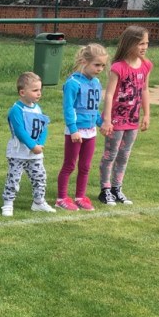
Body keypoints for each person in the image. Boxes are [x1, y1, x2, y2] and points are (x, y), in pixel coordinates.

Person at [99, 25, 152, 206]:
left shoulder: (146, 65)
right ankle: (105, 189)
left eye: (146, 43)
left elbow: (144, 90)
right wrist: (107, 120)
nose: (144, 47)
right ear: (130, 43)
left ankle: (117, 188)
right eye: (141, 43)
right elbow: (109, 94)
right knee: (110, 154)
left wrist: (147, 114)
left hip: (133, 120)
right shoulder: (118, 67)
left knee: (124, 155)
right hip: (116, 120)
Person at [55, 43, 109, 211]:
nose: (100, 69)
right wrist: (73, 129)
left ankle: (80, 197)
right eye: (97, 64)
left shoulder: (96, 83)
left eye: (103, 65)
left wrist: (101, 123)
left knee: (85, 166)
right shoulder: (73, 83)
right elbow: (68, 108)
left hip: (90, 132)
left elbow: (94, 108)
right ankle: (61, 198)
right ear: (85, 61)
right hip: (76, 132)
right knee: (69, 165)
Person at [1, 72, 56, 216]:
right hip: (18, 152)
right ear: (22, 92)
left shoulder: (37, 108)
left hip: (35, 153)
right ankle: (8, 203)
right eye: (35, 90)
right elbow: (20, 131)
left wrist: (40, 144)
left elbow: (43, 127)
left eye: (40, 90)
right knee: (14, 178)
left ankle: (38, 202)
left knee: (40, 177)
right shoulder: (16, 110)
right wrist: (32, 145)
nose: (39, 93)